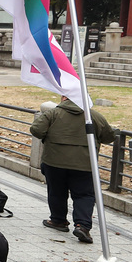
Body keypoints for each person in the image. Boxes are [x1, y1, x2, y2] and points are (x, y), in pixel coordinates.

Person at [31, 96, 115, 244]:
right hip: (84, 163)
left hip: (54, 161)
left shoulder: (53, 114)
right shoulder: (93, 116)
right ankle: (82, 226)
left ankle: (58, 220)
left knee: (56, 191)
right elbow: (109, 136)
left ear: (64, 98)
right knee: (84, 195)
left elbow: (36, 130)